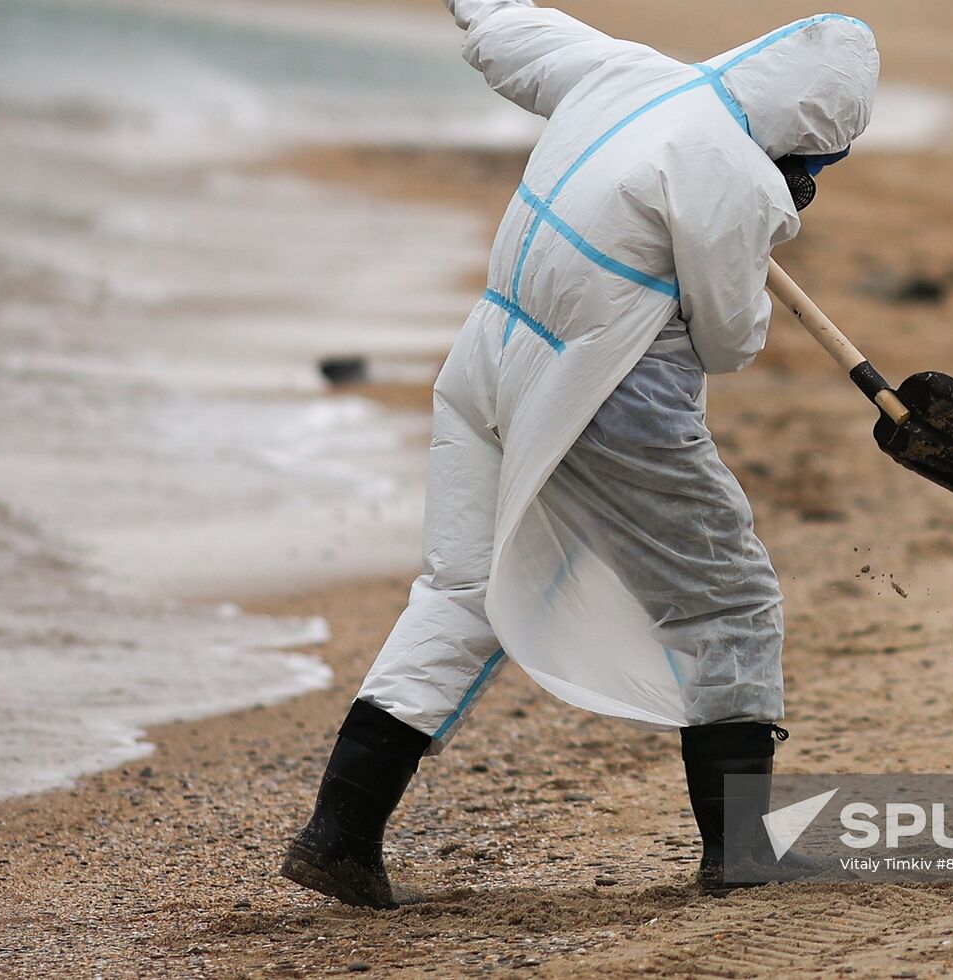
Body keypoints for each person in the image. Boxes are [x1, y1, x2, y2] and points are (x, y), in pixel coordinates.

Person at [280, 0, 879, 906]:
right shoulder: (732, 175)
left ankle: (341, 834)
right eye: (817, 162)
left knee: (459, 589)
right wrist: (765, 218)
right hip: (610, 394)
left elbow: (511, 37)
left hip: (485, 363)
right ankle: (741, 852)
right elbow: (729, 341)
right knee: (729, 601)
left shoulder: (625, 72)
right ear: (808, 136)